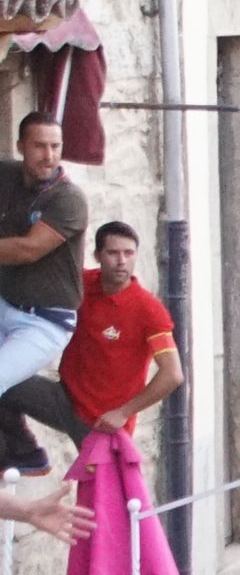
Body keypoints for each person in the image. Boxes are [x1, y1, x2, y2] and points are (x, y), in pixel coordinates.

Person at [0, 220, 183, 477]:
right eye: (113, 253)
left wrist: (123, 413)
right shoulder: (80, 286)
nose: (121, 261)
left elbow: (172, 375)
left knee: (108, 502)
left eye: (128, 253)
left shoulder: (149, 310)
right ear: (98, 256)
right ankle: (26, 454)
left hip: (103, 423)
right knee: (5, 384)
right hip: (63, 399)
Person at [0, 112, 87, 399]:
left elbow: (28, 250)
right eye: (39, 146)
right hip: (6, 301)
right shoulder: (7, 175)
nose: (49, 156)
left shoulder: (69, 199)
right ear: (20, 146)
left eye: (56, 146)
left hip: (44, 323)